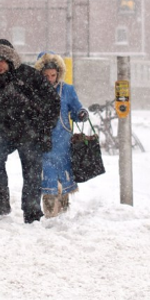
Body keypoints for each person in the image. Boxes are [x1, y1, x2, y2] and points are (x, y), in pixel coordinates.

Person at [0, 40, 58, 224]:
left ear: (10, 59)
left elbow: (52, 102)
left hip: (30, 130)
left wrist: (44, 131)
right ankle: (1, 203)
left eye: (1, 61)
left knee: (32, 172)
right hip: (4, 130)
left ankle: (32, 211)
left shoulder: (29, 75)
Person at [33, 53, 86, 218]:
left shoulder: (67, 90)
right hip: (43, 142)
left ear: (58, 73)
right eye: (46, 75)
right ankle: (50, 214)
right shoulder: (35, 91)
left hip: (63, 143)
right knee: (48, 178)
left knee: (64, 177)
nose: (49, 78)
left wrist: (81, 113)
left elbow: (77, 110)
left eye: (53, 75)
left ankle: (63, 211)